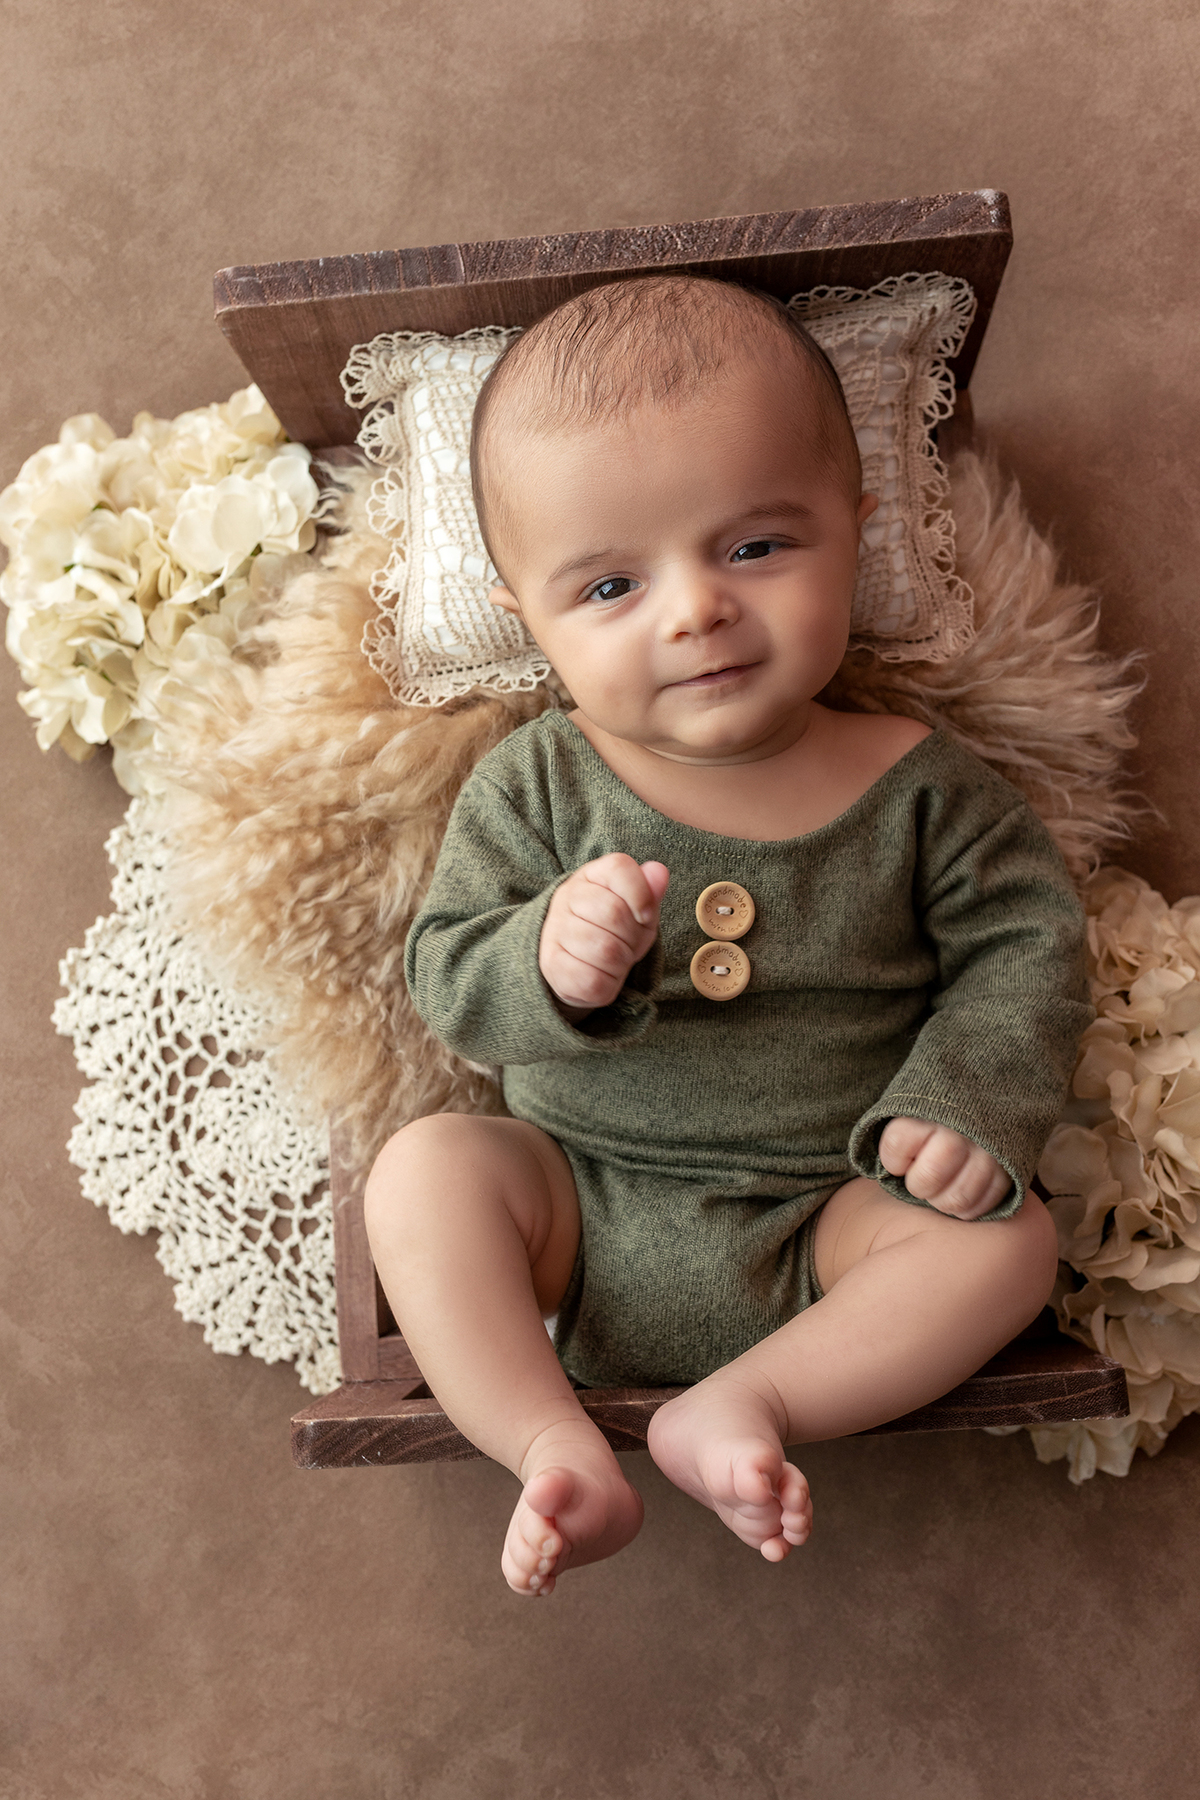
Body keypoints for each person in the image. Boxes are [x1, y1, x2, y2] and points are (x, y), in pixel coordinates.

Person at [363, 275, 1088, 1596]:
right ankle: (548, 1444)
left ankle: (749, 1403)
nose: (694, 609)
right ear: (529, 620)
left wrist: (969, 1099)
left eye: (755, 547)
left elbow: (1026, 951)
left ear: (856, 535)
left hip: (836, 1220)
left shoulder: (923, 787)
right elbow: (446, 977)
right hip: (577, 1205)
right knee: (422, 1172)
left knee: (1009, 1241)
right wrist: (545, 962)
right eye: (610, 584)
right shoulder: (537, 785)